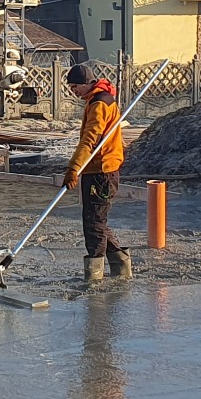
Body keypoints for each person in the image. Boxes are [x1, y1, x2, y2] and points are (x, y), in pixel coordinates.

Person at [61, 62, 131, 282]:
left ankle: (95, 275)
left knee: (94, 223)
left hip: (102, 171)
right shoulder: (95, 99)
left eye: (75, 87)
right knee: (96, 220)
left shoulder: (100, 103)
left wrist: (74, 168)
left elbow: (90, 139)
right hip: (95, 169)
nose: (74, 92)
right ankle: (121, 266)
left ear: (86, 83)